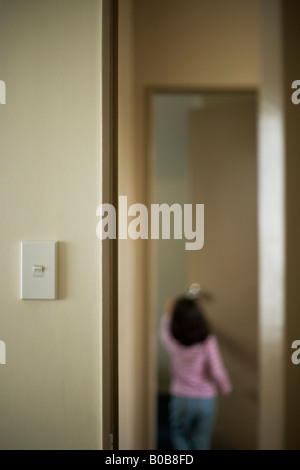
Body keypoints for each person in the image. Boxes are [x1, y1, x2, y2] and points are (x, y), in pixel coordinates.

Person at [160, 291, 232, 450]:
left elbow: (164, 332)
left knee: (179, 435)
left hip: (181, 398)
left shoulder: (174, 340)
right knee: (201, 439)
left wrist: (168, 312)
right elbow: (216, 369)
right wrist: (226, 386)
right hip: (206, 399)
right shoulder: (207, 341)